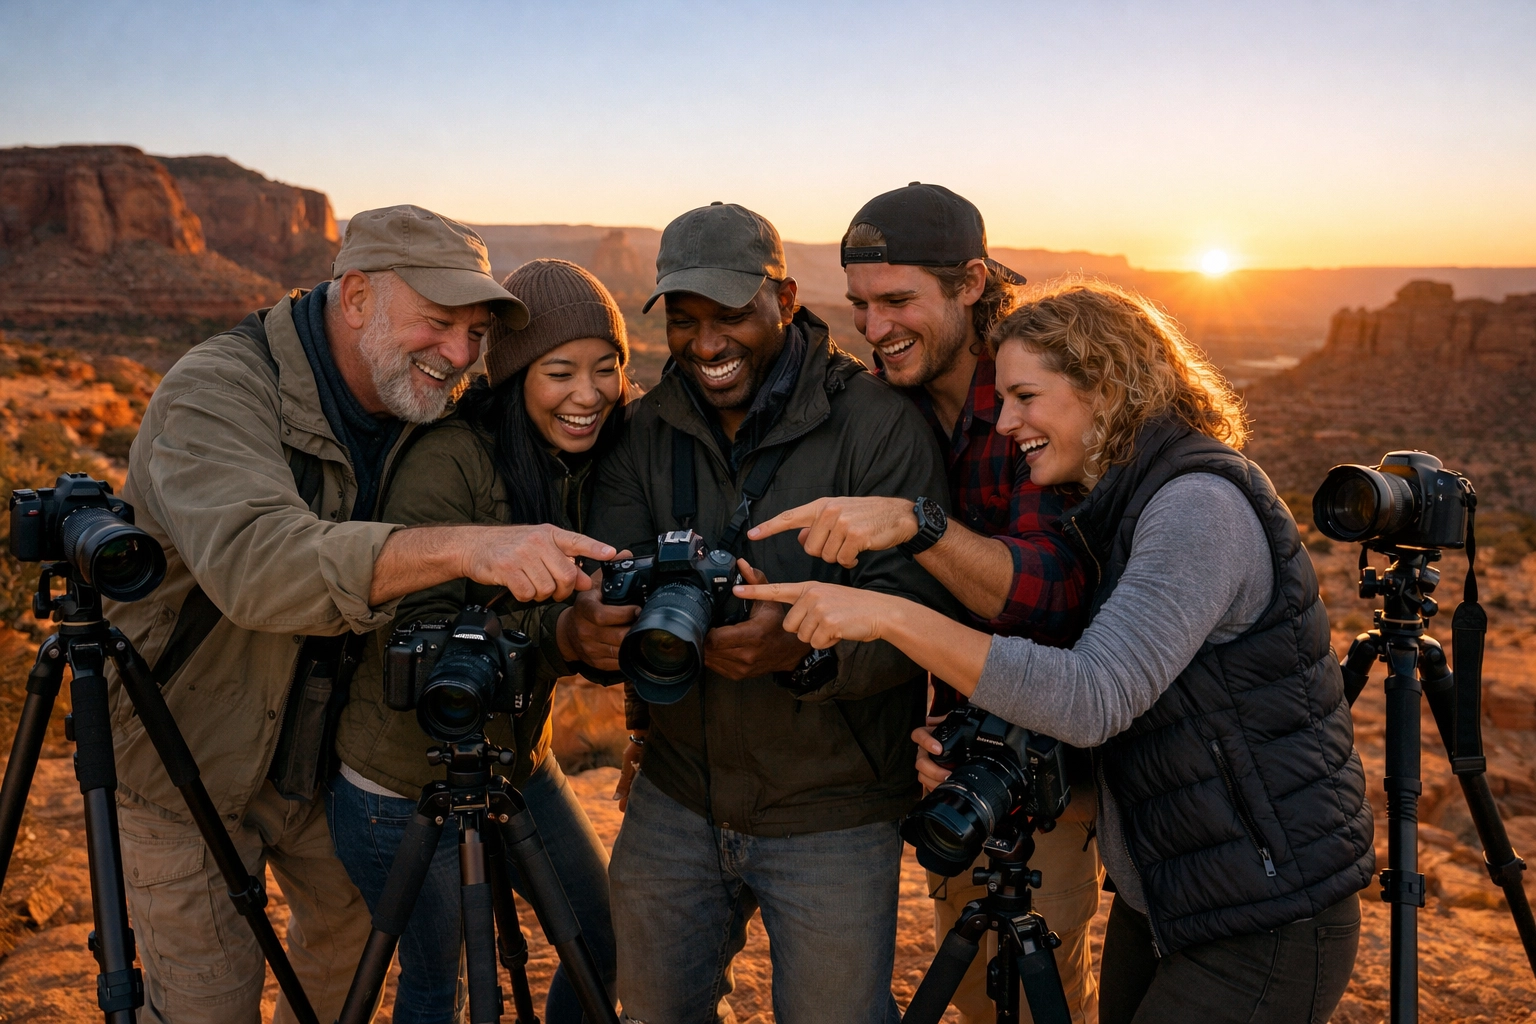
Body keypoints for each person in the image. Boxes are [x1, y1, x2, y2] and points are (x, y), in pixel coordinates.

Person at [738, 280, 1374, 1024]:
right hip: (1172, 893)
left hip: (1266, 913)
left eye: (1025, 397)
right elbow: (1157, 724)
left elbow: (1094, 696)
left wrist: (890, 615)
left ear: (1105, 386)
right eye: (1001, 399)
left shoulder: (1197, 507)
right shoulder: (1120, 506)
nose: (1006, 422)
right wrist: (997, 760)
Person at [105, 207, 615, 1024]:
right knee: (209, 1004)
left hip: (317, 762)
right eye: (437, 322)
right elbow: (258, 566)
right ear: (355, 298)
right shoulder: (217, 390)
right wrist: (468, 548)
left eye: (475, 333)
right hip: (190, 760)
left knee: (343, 977)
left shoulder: (419, 397)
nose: (459, 355)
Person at [560, 201, 956, 1024]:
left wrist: (802, 653)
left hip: (834, 807)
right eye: (684, 319)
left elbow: (916, 620)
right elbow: (611, 578)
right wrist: (594, 630)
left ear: (784, 298)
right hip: (679, 794)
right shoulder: (644, 431)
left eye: (731, 315)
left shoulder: (879, 428)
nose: (706, 344)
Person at [749, 183, 1100, 1023]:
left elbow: (1050, 594)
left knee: (1041, 988)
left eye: (898, 301)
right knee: (978, 992)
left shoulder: (1031, 392)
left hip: (1047, 749)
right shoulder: (884, 405)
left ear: (971, 283)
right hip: (957, 754)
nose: (874, 328)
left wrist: (916, 525)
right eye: (859, 304)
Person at [329, 258, 631, 1023]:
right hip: (402, 784)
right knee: (441, 985)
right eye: (560, 372)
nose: (588, 394)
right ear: (517, 375)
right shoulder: (451, 458)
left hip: (517, 762)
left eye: (607, 368)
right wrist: (563, 633)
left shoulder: (590, 460)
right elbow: (418, 635)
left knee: (605, 934)